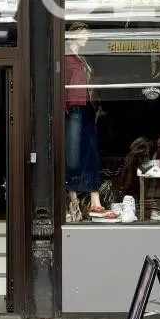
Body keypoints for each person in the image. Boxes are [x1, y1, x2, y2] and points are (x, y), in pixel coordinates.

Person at [65, 24, 116, 222]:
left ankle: (95, 201)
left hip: (87, 108)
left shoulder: (82, 59)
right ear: (74, 34)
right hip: (74, 108)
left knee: (91, 152)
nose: (87, 38)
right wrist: (65, 107)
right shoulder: (65, 57)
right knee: (73, 154)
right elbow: (61, 84)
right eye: (85, 34)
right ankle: (73, 199)